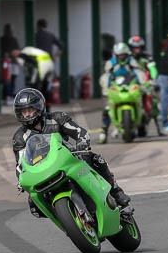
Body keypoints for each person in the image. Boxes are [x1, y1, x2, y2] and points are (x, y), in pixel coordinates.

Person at [12, 88, 130, 216]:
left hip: (69, 160)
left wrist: (82, 141)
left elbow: (79, 132)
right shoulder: (19, 137)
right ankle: (63, 217)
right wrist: (21, 180)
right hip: (43, 171)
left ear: (39, 107)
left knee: (96, 160)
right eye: (23, 111)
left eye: (30, 110)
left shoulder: (57, 118)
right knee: (33, 202)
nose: (27, 114)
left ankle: (116, 192)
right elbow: (20, 164)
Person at [99, 42, 144, 143]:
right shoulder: (111, 63)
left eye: (123, 55)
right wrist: (105, 89)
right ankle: (103, 132)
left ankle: (141, 126)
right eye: (119, 55)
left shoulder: (132, 61)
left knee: (141, 104)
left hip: (129, 86)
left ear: (127, 54)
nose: (121, 57)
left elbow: (139, 73)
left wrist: (142, 85)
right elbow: (106, 76)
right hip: (115, 88)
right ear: (115, 55)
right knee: (107, 109)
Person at [127, 34, 163, 136]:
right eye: (134, 48)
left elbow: (153, 69)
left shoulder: (147, 57)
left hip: (144, 83)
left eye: (139, 47)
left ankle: (159, 127)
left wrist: (153, 79)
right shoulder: (127, 58)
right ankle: (116, 128)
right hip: (130, 83)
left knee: (154, 100)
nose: (137, 50)